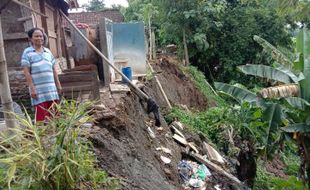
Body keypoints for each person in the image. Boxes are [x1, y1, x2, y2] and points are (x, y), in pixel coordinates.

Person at [21, 28, 62, 123]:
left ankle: (55, 136)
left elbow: (53, 70)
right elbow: (26, 72)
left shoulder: (48, 52)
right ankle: (43, 137)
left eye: (41, 36)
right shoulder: (27, 52)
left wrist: (58, 85)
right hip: (38, 91)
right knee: (41, 118)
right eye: (36, 36)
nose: (39, 38)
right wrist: (32, 88)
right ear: (30, 39)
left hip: (51, 90)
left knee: (55, 117)